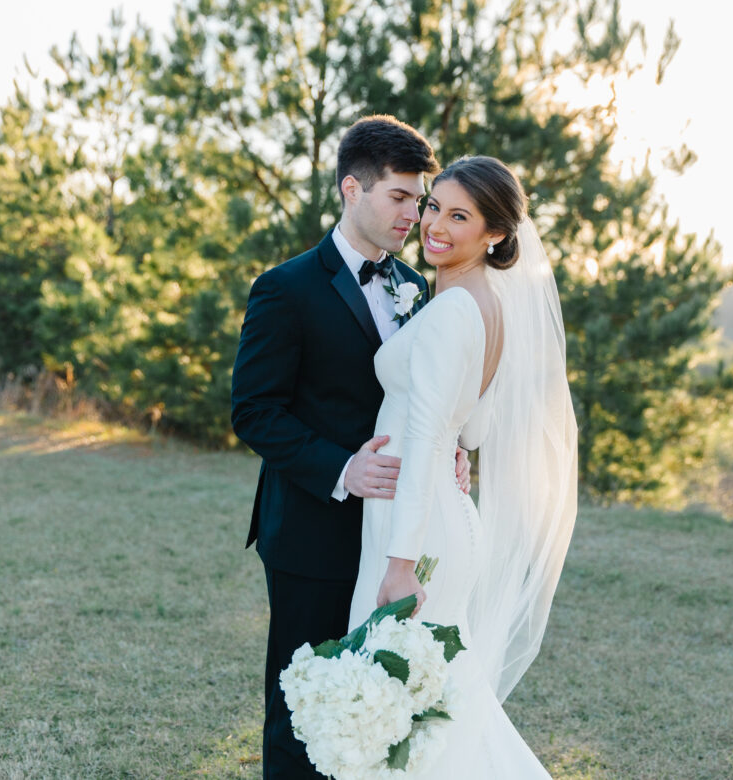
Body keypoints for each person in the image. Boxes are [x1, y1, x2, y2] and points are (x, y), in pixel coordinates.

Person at [230, 115, 470, 780]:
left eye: (419, 201)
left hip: (394, 534)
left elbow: (423, 399)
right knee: (302, 703)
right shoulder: (285, 288)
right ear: (351, 189)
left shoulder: (418, 289)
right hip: (313, 528)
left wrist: (451, 446)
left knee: (378, 703)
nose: (413, 216)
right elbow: (253, 411)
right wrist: (342, 468)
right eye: (399, 198)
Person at [349, 156, 579, 777]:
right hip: (439, 520)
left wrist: (400, 567)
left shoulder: (454, 308)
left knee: (412, 715)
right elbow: (469, 429)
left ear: (496, 234)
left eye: (460, 216)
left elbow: (426, 435)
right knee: (433, 710)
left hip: (415, 533)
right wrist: (455, 443)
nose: (436, 226)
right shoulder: (483, 301)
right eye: (433, 207)